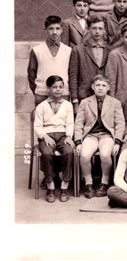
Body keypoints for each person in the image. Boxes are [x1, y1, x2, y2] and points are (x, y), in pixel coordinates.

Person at [74, 75, 125, 198]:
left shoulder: (115, 103)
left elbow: (120, 123)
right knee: (85, 155)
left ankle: (104, 182)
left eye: (103, 85)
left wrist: (117, 141)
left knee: (105, 154)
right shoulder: (85, 102)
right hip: (90, 135)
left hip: (107, 135)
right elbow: (79, 123)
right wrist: (78, 141)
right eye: (97, 85)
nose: (100, 88)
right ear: (92, 87)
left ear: (108, 87)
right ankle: (88, 183)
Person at [33, 75, 75, 203]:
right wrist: (44, 136)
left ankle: (64, 186)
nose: (58, 90)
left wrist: (69, 136)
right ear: (48, 89)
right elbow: (38, 126)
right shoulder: (41, 106)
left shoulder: (68, 105)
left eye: (60, 87)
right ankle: (50, 186)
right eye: (55, 87)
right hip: (47, 135)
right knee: (46, 153)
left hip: (63, 135)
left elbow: (70, 123)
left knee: (69, 151)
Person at [69, 16, 111, 114]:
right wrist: (75, 101)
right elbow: (73, 77)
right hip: (84, 96)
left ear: (104, 30)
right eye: (94, 28)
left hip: (105, 97)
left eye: (100, 28)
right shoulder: (78, 50)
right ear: (88, 29)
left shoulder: (111, 50)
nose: (97, 32)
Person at [28, 15, 72, 106]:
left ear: (61, 30)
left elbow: (71, 74)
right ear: (46, 30)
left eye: (57, 28)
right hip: (42, 95)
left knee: (61, 120)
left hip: (63, 95)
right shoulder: (37, 50)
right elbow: (31, 74)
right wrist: (39, 90)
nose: (54, 32)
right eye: (51, 29)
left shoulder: (68, 50)